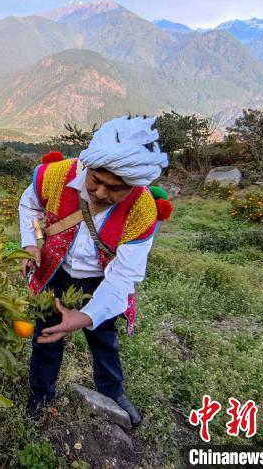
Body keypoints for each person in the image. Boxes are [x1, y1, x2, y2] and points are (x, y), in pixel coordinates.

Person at [18, 116, 170, 426]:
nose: (101, 193)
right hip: (55, 270)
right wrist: (32, 243)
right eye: (96, 181)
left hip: (100, 278)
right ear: (88, 166)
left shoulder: (142, 211)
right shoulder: (57, 176)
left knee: (103, 337)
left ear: (134, 185)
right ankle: (41, 394)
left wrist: (85, 316)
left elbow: (124, 277)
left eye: (115, 188)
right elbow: (30, 206)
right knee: (47, 334)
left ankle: (112, 391)